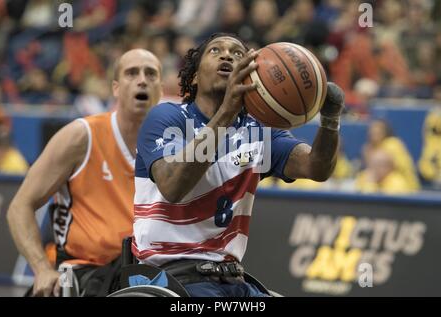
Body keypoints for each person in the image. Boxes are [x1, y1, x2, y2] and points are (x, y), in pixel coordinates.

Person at [132, 33, 344, 297]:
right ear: (195, 77)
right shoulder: (167, 116)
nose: (227, 55)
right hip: (171, 278)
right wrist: (227, 112)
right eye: (215, 50)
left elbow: (316, 167)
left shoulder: (258, 133)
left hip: (232, 280)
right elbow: (172, 186)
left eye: (238, 53)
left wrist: (330, 120)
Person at [7, 49, 163, 297]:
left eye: (151, 74)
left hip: (145, 277)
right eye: (131, 73)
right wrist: (41, 269)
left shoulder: (173, 147)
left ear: (161, 90)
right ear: (115, 87)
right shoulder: (81, 136)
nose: (142, 80)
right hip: (84, 274)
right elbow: (19, 207)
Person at [362, 119, 420, 191]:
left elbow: (388, 167)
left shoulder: (392, 144)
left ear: (385, 131)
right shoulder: (369, 147)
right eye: (372, 130)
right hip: (381, 184)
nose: (374, 132)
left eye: (378, 130)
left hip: (405, 186)